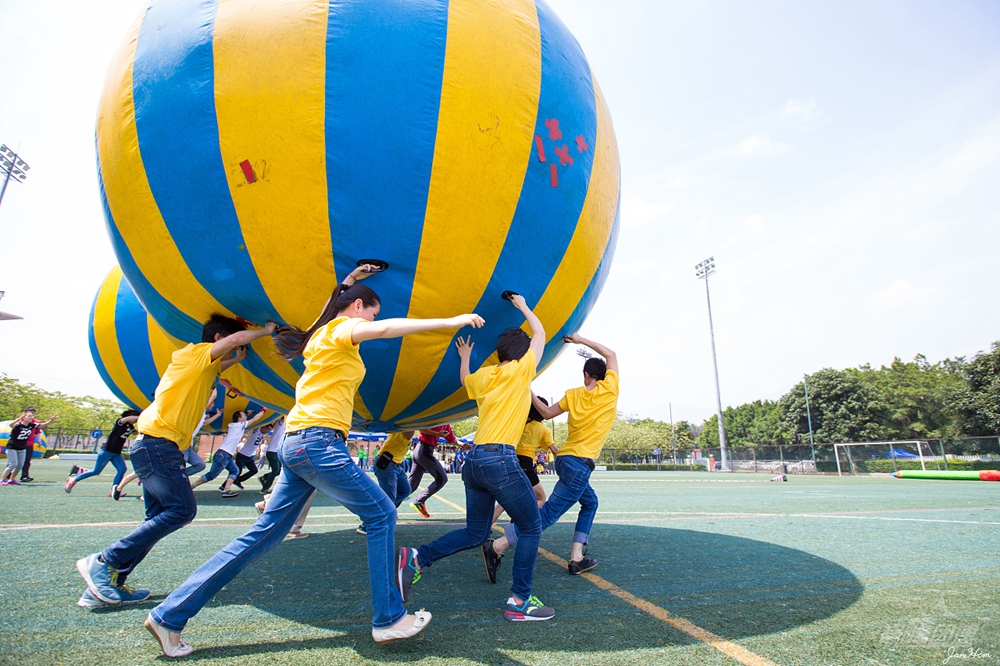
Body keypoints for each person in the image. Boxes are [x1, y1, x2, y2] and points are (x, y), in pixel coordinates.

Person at [143, 263, 484, 656]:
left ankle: (170, 616)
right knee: (381, 515)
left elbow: (329, 314)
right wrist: (452, 320)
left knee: (262, 536)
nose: (372, 320)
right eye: (370, 312)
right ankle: (389, 618)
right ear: (358, 308)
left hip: (301, 443)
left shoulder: (320, 335)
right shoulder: (340, 330)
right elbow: (387, 329)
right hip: (318, 442)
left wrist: (348, 283)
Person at [75, 315, 275, 611]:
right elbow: (233, 341)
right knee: (182, 510)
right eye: (227, 345)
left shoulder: (201, 367)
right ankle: (104, 561)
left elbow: (223, 359)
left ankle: (106, 587)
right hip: (159, 444)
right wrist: (266, 331)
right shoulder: (194, 352)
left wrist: (234, 360)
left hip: (154, 445)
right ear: (218, 339)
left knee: (155, 519)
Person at [397, 294, 554, 622]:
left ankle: (417, 558)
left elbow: (464, 380)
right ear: (522, 353)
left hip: (475, 464)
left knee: (476, 533)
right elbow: (540, 334)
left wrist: (466, 357)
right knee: (531, 525)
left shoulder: (485, 376)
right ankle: (519, 601)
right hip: (500, 459)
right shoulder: (522, 370)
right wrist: (523, 306)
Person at [487, 334, 618, 576]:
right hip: (580, 465)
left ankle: (577, 557)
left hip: (565, 461)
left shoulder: (573, 394)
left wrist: (528, 388)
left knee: (590, 502)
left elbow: (546, 413)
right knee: (546, 516)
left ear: (586, 375)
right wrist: (581, 340)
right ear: (603, 375)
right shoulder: (610, 390)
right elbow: (610, 354)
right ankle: (498, 545)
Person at [491, 398, 554, 523]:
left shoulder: (516, 424)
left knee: (507, 500)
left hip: (507, 461)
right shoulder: (542, 429)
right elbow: (554, 450)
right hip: (524, 464)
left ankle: (484, 529)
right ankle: (518, 525)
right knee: (540, 498)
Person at [190, 408, 267, 497]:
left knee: (235, 471)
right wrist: (264, 409)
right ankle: (191, 486)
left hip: (226, 455)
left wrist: (247, 413)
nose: (246, 416)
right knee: (211, 475)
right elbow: (255, 419)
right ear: (239, 419)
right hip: (223, 454)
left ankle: (226, 490)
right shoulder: (239, 426)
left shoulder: (236, 426)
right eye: (244, 415)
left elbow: (245, 420)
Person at [65, 409, 141, 495]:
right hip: (107, 450)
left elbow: (135, 433)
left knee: (122, 469)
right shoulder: (121, 422)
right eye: (135, 419)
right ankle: (73, 480)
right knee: (96, 471)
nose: (136, 421)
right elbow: (127, 419)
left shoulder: (131, 427)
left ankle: (114, 490)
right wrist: (142, 416)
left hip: (117, 452)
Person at [357, 430, 414, 535]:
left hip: (396, 464)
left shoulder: (410, 424)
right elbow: (408, 433)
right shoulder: (404, 426)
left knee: (405, 490)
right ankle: (367, 524)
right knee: (389, 497)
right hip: (386, 463)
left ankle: (384, 510)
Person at [408, 424, 462, 518]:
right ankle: (419, 501)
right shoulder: (434, 417)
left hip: (423, 450)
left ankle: (389, 508)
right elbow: (421, 427)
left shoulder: (446, 424)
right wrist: (437, 433)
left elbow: (451, 438)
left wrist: (462, 445)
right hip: (423, 450)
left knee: (411, 486)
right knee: (442, 478)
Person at [17, 407, 57, 482]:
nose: (31, 415)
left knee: (27, 461)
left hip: (29, 444)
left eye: (32, 413)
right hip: (17, 444)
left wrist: (39, 442)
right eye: (29, 413)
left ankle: (24, 476)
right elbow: (12, 431)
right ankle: (7, 477)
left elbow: (39, 429)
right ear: (24, 414)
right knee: (14, 462)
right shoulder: (18, 423)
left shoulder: (34, 423)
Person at [2, 411, 38, 486]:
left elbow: (42, 426)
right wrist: (18, 419)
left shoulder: (31, 425)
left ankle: (11, 479)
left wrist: (51, 420)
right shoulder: (18, 425)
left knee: (20, 465)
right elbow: (11, 425)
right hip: (12, 447)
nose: (31, 418)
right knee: (13, 464)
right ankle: (2, 480)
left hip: (22, 448)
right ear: (24, 417)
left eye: (32, 416)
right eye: (29, 416)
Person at [234, 423, 269, 489]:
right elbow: (257, 424)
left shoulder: (263, 434)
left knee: (254, 470)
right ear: (263, 427)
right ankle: (224, 486)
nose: (268, 431)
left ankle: (238, 480)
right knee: (237, 471)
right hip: (242, 455)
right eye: (267, 429)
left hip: (249, 456)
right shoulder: (256, 431)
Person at [258, 417, 285, 493]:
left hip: (276, 451)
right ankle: (265, 488)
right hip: (272, 451)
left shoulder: (284, 425)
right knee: (275, 470)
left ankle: (264, 478)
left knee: (278, 471)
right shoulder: (281, 423)